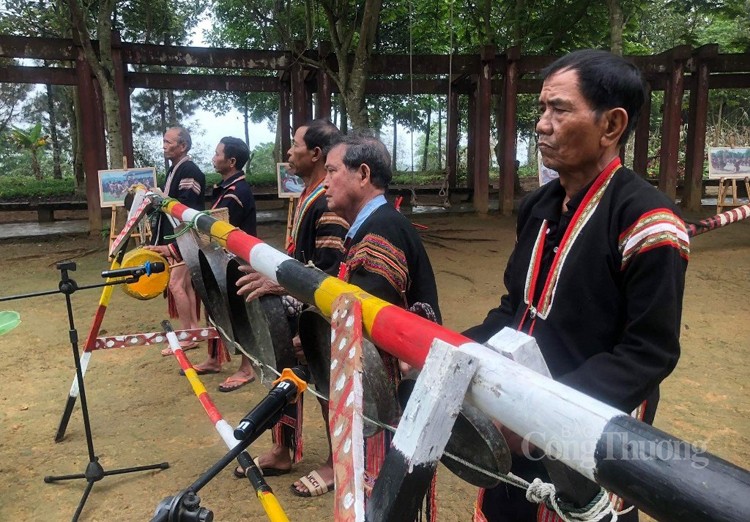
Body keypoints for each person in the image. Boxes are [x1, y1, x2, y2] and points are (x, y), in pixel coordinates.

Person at [464, 50, 689, 522]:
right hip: (517, 414)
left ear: (611, 126)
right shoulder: (538, 207)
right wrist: (450, 354)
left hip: (589, 428)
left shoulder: (649, 222)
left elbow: (648, 353)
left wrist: (536, 416)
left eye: (559, 109)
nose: (542, 124)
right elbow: (516, 310)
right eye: (542, 109)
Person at [283, 131, 441, 501]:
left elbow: (367, 327)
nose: (325, 181)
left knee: (381, 491)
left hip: (390, 394)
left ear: (364, 174)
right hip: (386, 392)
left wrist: (316, 337)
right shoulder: (373, 225)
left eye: (333, 171)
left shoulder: (381, 232)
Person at [233, 119, 348, 475]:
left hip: (320, 312)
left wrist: (281, 284)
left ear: (314, 153)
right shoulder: (307, 196)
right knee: (285, 373)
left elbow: (330, 271)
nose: (288, 150)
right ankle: (283, 449)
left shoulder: (327, 203)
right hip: (299, 305)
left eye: (294, 144)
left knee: (328, 382)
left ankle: (335, 462)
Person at [183, 136, 260, 392]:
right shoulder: (226, 188)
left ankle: (247, 367)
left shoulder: (237, 192)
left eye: (217, 154)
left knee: (239, 311)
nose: (213, 158)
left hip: (235, 262)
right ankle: (214, 359)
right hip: (219, 259)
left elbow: (220, 228)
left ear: (232, 161)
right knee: (215, 307)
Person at [149, 126, 206, 355]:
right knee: (184, 284)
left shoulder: (190, 171)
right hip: (178, 234)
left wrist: (161, 198)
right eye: (163, 141)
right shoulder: (175, 169)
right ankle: (192, 330)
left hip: (184, 234)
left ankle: (187, 335)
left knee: (175, 284)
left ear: (182, 146)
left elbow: (186, 205)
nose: (164, 145)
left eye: (168, 142)